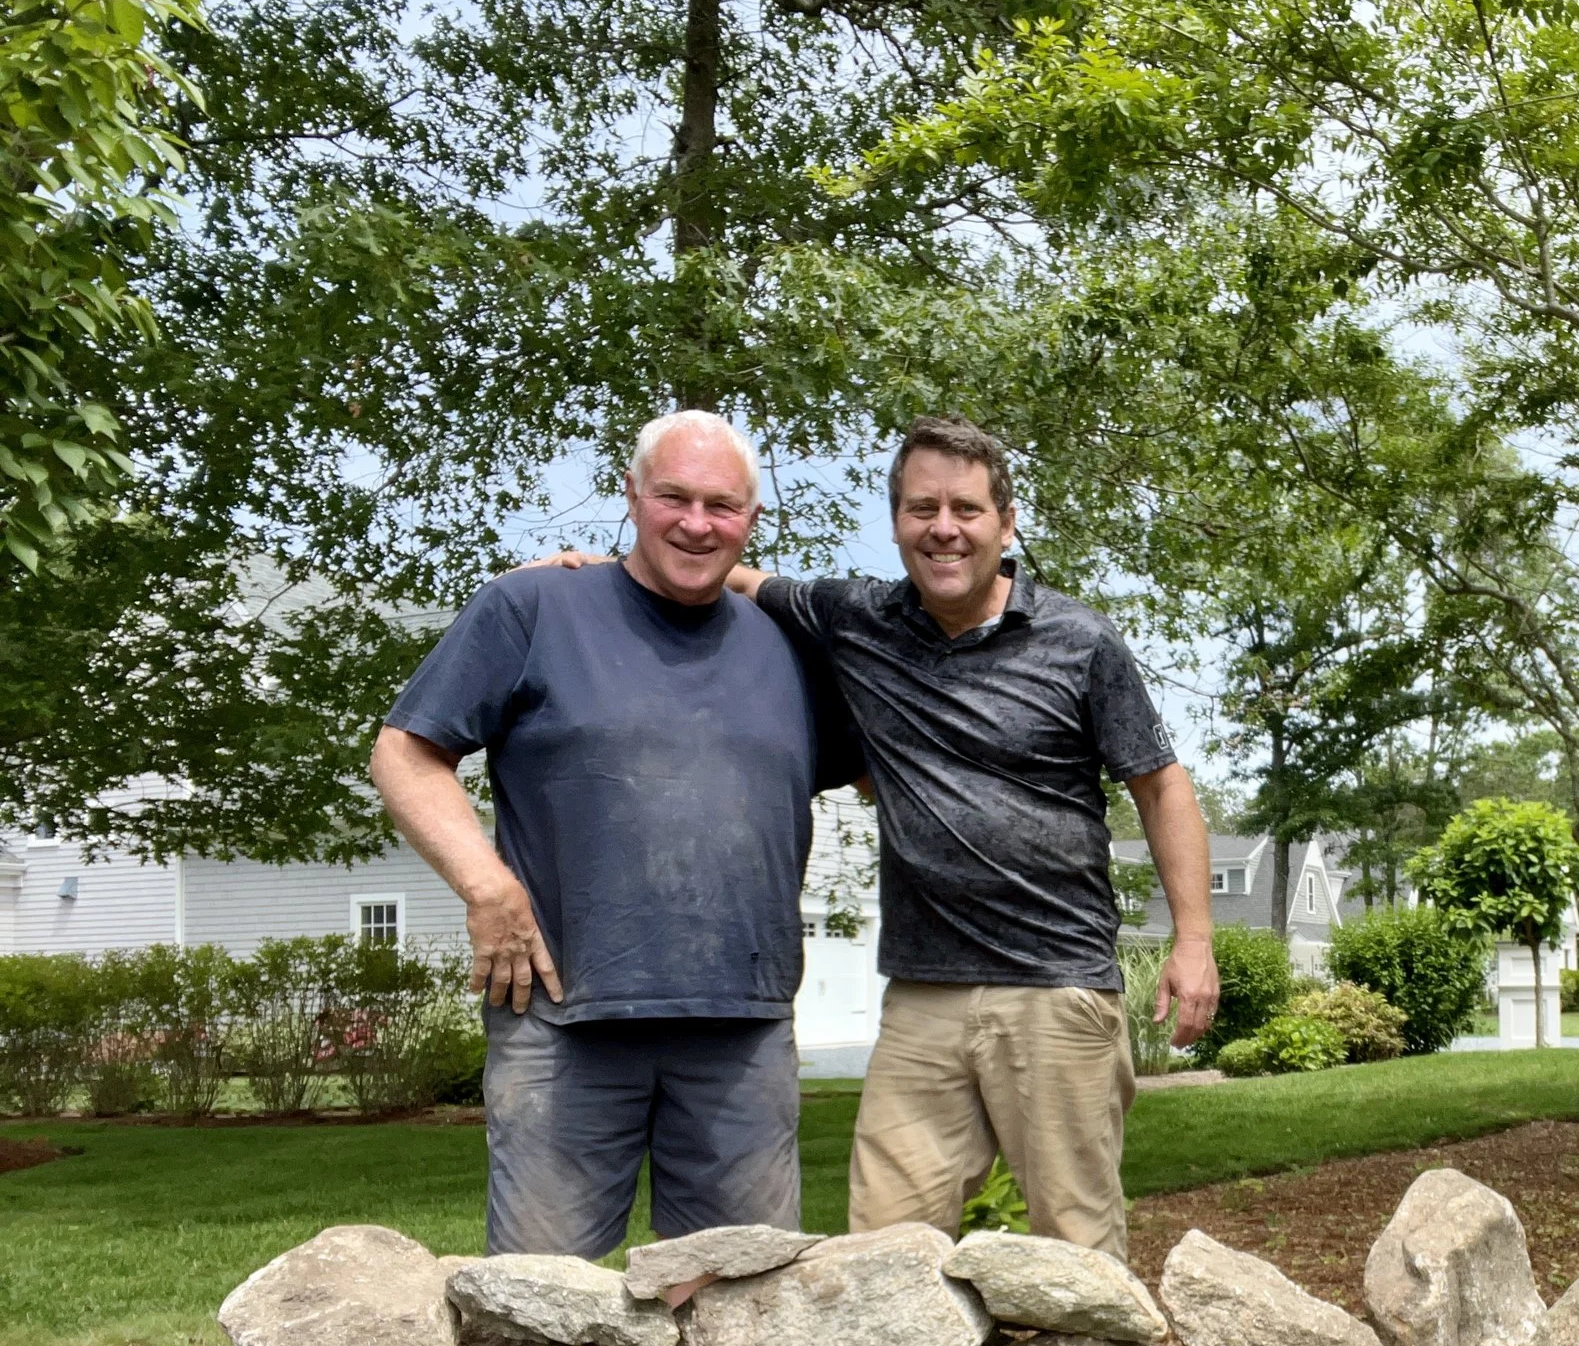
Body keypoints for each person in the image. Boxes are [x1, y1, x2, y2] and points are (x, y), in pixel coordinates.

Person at [372, 409, 860, 1257]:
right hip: (560, 1018)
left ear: (751, 519)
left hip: (742, 1027)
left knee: (742, 1300)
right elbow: (404, 754)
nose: (697, 523)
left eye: (722, 505)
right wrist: (487, 888)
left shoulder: (791, 645)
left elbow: (894, 771)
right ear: (631, 495)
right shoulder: (534, 606)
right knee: (541, 1298)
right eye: (674, 497)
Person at [741, 415, 1217, 1260]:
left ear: (1007, 521)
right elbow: (733, 575)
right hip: (922, 993)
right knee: (883, 1255)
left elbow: (1159, 784)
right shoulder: (859, 618)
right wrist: (590, 577)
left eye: (966, 508)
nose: (944, 528)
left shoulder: (1080, 640)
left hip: (1056, 987)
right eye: (921, 508)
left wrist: (1194, 940)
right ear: (896, 521)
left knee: (1078, 1253)